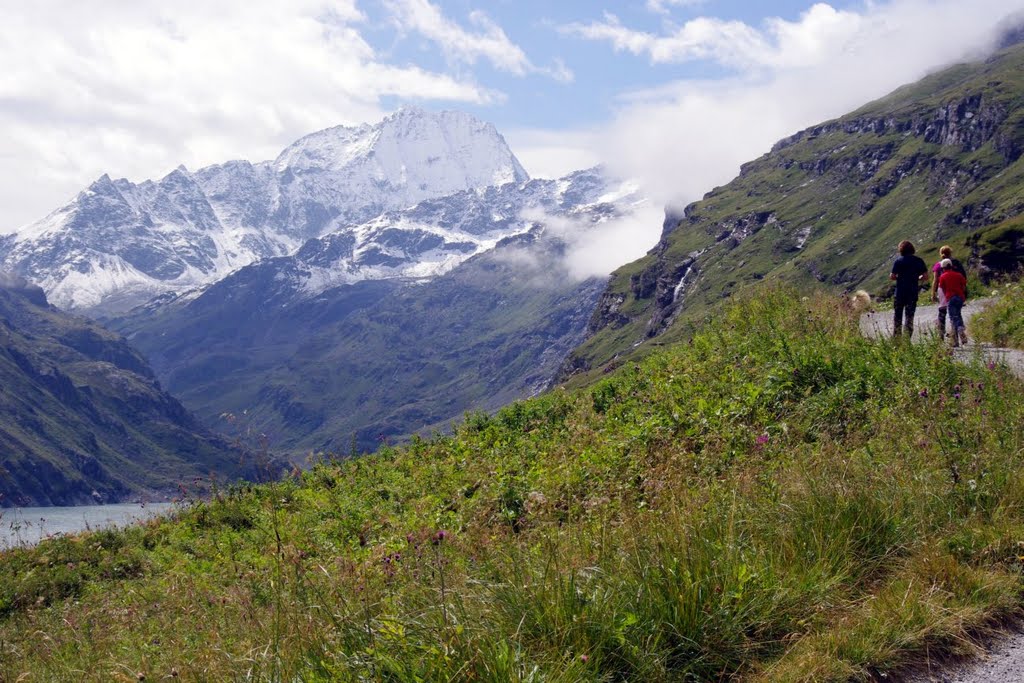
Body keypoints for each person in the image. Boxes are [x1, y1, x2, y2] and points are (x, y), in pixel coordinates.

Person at [889, 240, 928, 338]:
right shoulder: (918, 261)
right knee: (909, 316)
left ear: (901, 250)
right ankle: (907, 339)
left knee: (898, 316)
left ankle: (897, 338)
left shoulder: (898, 261)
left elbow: (892, 276)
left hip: (900, 293)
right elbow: (925, 276)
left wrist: (900, 278)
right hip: (912, 292)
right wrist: (917, 278)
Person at [930, 245, 967, 338]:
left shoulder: (938, 265)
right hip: (957, 290)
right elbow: (964, 277)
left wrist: (933, 293)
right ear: (950, 252)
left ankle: (941, 334)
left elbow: (935, 280)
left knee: (942, 311)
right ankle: (958, 331)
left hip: (943, 290)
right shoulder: (956, 263)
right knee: (956, 312)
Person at [938, 258, 969, 347]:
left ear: (943, 268)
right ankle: (960, 332)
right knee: (958, 315)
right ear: (951, 266)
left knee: (952, 318)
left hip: (950, 298)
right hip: (960, 298)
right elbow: (964, 285)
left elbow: (942, 288)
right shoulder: (959, 275)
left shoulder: (943, 276)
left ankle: (956, 337)